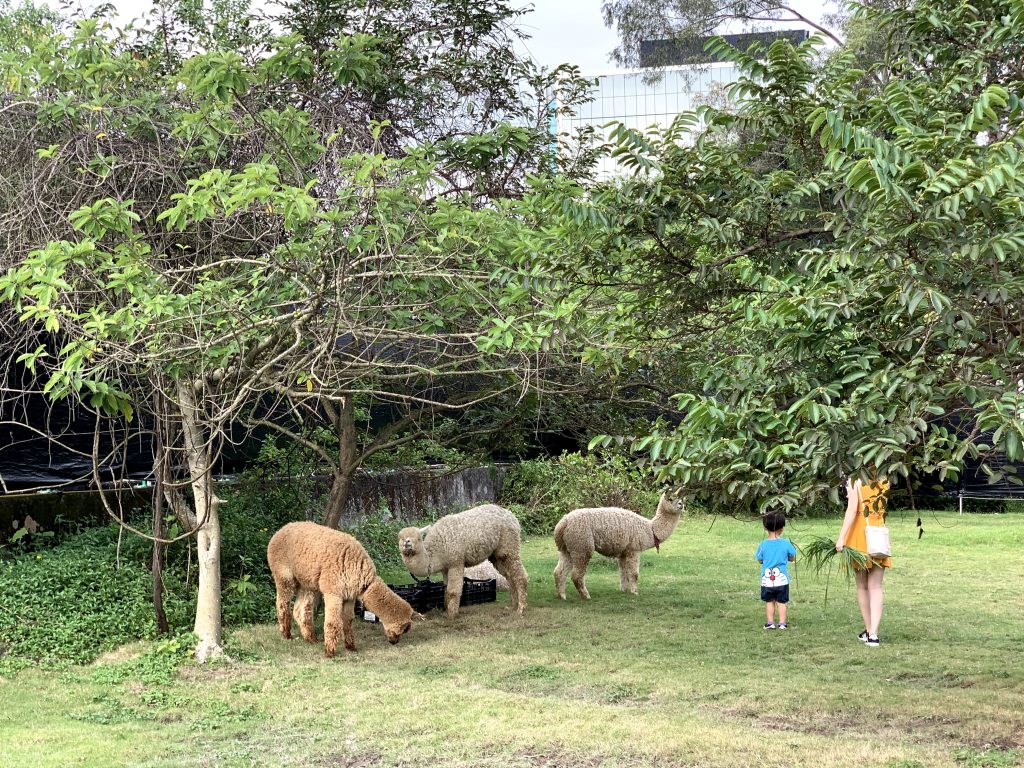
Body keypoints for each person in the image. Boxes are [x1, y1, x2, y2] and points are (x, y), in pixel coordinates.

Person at [836, 477, 892, 647]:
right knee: (876, 586)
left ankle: (869, 631)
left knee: (862, 586)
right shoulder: (885, 480)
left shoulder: (856, 480)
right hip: (878, 534)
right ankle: (873, 633)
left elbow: (852, 510)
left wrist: (841, 538)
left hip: (860, 536)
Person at [755, 511, 797, 630]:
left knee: (769, 601)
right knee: (781, 602)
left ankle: (770, 623)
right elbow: (793, 557)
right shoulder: (786, 544)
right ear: (782, 528)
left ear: (764, 527)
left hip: (766, 581)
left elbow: (760, 560)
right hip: (782, 581)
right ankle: (782, 623)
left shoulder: (763, 545)